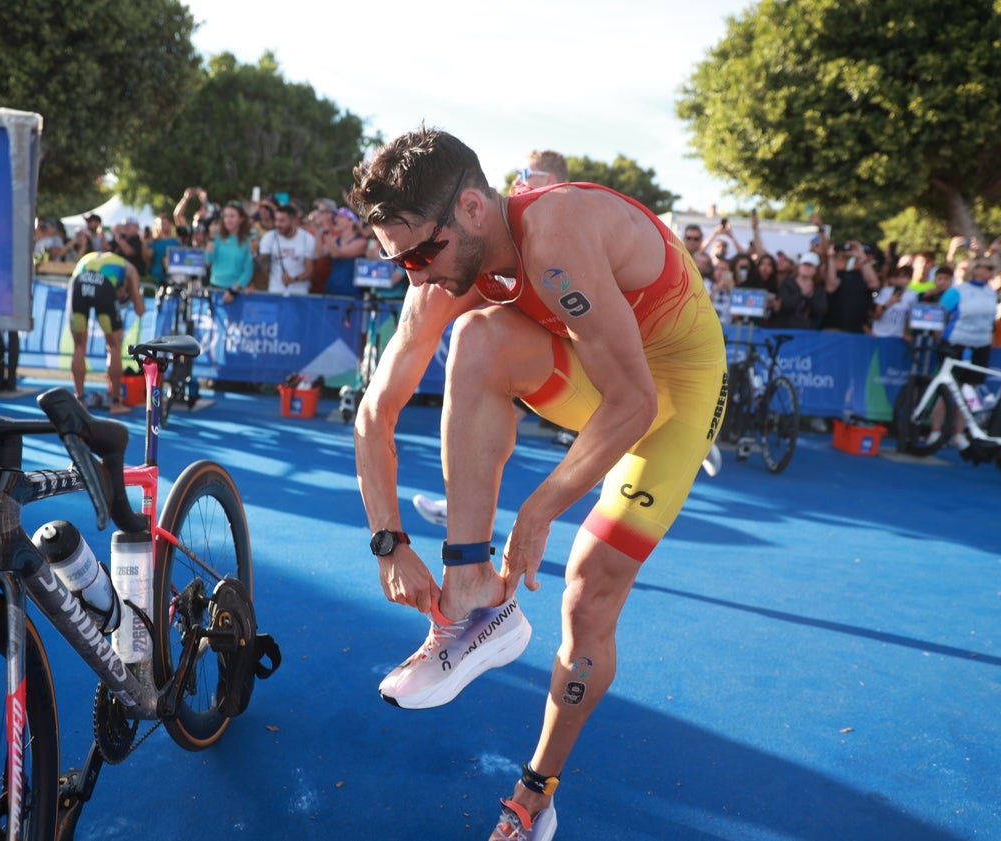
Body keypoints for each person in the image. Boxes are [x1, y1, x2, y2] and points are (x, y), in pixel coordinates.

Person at [348, 127, 726, 840]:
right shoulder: (440, 271)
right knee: (479, 337)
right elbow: (375, 412)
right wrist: (388, 541)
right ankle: (472, 600)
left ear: (472, 208)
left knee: (589, 589)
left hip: (674, 388)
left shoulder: (556, 233)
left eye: (422, 255)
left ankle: (534, 792)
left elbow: (637, 403)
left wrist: (542, 505)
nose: (416, 278)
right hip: (602, 377)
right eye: (399, 262)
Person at [927, 255, 999, 451]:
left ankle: (958, 433)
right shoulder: (957, 291)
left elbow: (991, 321)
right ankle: (935, 431)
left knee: (969, 390)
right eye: (986, 267)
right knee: (948, 388)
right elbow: (938, 315)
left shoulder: (991, 294)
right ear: (975, 269)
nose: (990, 271)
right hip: (956, 343)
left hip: (980, 346)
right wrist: (939, 338)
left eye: (992, 268)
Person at [66, 251, 145, 414]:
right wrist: (128, 294)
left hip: (78, 282)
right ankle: (115, 403)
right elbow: (140, 309)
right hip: (104, 285)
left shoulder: (93, 257)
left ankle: (79, 401)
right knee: (114, 346)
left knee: (79, 346)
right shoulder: (129, 269)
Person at [258, 203, 316, 295]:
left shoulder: (308, 239)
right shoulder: (269, 237)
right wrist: (255, 254)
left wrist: (294, 279)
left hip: (299, 293)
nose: (277, 224)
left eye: (282, 221)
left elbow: (310, 271)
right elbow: (262, 265)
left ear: (293, 221)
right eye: (276, 220)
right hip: (275, 292)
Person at [207, 201, 254, 304]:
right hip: (215, 286)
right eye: (226, 216)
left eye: (232, 216)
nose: (228, 220)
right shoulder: (217, 238)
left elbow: (248, 270)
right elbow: (208, 259)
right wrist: (211, 237)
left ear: (241, 219)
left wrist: (234, 290)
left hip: (236, 290)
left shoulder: (247, 241)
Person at [770, 251, 827, 330]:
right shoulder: (787, 284)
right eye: (805, 264)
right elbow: (782, 306)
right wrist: (801, 294)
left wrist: (811, 297)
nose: (807, 267)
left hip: (807, 333)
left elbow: (821, 311)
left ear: (816, 269)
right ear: (799, 267)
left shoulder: (819, 289)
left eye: (810, 265)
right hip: (784, 331)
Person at [322, 207, 369, 297]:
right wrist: (319, 230)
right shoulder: (335, 240)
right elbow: (318, 253)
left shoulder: (361, 242)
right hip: (331, 289)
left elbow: (338, 254)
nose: (336, 219)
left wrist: (326, 232)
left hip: (350, 292)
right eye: (336, 217)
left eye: (341, 217)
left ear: (351, 221)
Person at [870, 263, 918, 338]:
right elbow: (876, 314)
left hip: (897, 335)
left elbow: (909, 316)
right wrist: (889, 302)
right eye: (901, 277)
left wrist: (906, 332)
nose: (904, 280)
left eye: (907, 277)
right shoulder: (885, 291)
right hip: (879, 333)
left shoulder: (912, 295)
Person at [143, 213, 181, 288]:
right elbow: (147, 258)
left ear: (170, 225)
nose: (162, 226)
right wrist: (144, 243)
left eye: (164, 224)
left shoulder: (176, 243)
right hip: (155, 278)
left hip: (172, 279)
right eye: (160, 224)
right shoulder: (154, 242)